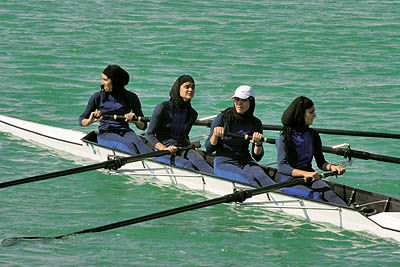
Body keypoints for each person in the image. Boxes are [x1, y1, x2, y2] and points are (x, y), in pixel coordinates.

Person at [276, 96, 347, 205]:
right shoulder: (285, 137)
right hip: (290, 181)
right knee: (315, 196)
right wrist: (305, 174)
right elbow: (282, 167)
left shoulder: (313, 135)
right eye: (311, 112)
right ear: (301, 114)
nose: (315, 115)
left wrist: (332, 167)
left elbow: (321, 163)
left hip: (310, 178)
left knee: (331, 195)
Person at [205, 85, 276, 187]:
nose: (239, 103)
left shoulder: (256, 123)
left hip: (246, 161)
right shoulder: (222, 118)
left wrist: (258, 144)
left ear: (251, 102)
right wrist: (215, 135)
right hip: (224, 162)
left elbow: (257, 157)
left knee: (266, 180)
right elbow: (208, 149)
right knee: (249, 180)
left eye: (243, 100)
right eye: (236, 99)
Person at [146, 75, 214, 174]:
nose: (190, 90)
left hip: (182, 147)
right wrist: (164, 148)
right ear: (178, 89)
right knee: (187, 165)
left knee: (200, 162)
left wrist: (191, 144)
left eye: (193, 87)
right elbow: (150, 135)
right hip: (163, 150)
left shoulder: (192, 113)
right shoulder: (163, 108)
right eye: (187, 87)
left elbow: (184, 136)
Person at [79, 64, 152, 155]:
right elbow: (81, 121)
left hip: (127, 132)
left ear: (115, 81)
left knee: (143, 147)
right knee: (128, 146)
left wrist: (135, 121)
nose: (102, 83)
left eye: (105, 80)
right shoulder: (98, 97)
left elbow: (143, 126)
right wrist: (90, 121)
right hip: (106, 134)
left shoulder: (131, 97)